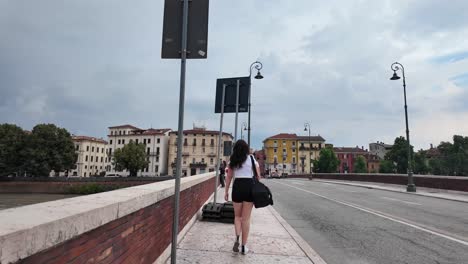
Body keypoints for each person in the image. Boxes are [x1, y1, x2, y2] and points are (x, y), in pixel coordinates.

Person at [224, 140, 261, 255]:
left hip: (237, 187)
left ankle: (237, 238)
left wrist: (226, 191)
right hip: (249, 187)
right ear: (246, 148)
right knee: (246, 219)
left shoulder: (233, 160)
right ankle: (244, 246)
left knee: (237, 217)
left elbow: (229, 177)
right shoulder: (251, 159)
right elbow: (258, 176)